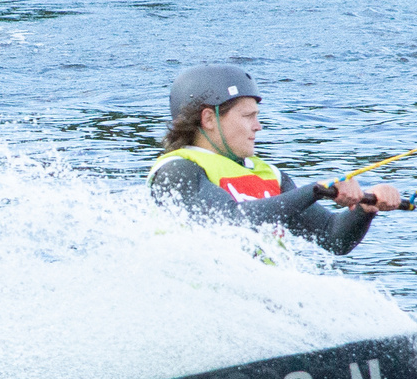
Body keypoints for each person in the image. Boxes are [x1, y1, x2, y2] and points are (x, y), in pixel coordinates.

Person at [149, 64, 404, 256]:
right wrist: (314, 192)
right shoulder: (177, 170)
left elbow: (332, 238)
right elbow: (231, 220)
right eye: (248, 116)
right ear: (208, 119)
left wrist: (364, 211)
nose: (258, 126)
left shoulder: (269, 175)